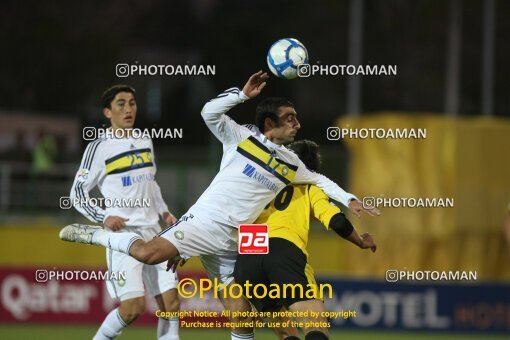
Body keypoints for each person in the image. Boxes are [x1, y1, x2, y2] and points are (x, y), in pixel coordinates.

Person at [60, 71, 380, 340]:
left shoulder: (292, 163)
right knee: (147, 253)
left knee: (241, 315)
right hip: (204, 223)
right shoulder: (240, 138)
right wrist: (241, 94)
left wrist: (350, 199)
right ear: (271, 122)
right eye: (290, 118)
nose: (297, 124)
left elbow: (321, 181)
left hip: (237, 241)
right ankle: (92, 235)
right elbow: (208, 113)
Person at [234, 140, 377, 340]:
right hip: (282, 249)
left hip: (248, 254)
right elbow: (337, 222)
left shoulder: (262, 183)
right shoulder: (310, 188)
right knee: (315, 326)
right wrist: (360, 241)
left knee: (286, 333)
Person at [68, 85, 180, 340]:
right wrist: (103, 217)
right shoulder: (98, 148)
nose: (128, 109)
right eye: (121, 104)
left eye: (132, 102)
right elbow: (77, 193)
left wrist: (164, 211)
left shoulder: (144, 139)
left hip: (154, 233)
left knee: (171, 306)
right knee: (133, 309)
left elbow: (151, 182)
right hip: (124, 237)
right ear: (107, 112)